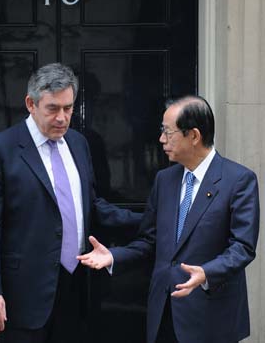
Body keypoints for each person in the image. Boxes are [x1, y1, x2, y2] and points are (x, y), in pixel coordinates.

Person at [0, 63, 141, 343]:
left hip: (77, 290)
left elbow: (91, 206)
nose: (62, 117)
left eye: (68, 108)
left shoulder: (79, 143)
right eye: (53, 108)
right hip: (21, 296)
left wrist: (154, 218)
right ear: (30, 104)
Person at [78, 96, 260, 343]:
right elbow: (149, 241)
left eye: (168, 132)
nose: (161, 139)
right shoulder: (165, 180)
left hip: (211, 317)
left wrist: (206, 273)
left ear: (193, 136)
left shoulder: (238, 180)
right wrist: (113, 256)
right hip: (164, 314)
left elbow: (242, 247)